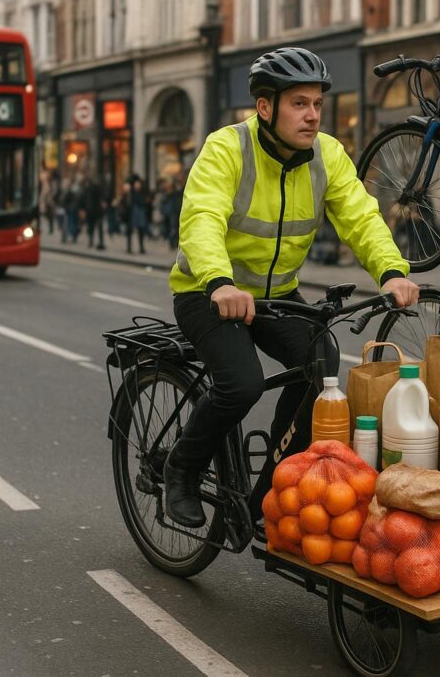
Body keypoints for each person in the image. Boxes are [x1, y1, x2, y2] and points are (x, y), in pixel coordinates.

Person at [162, 47, 419, 527]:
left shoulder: (328, 155)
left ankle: (274, 485)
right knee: (242, 385)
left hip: (278, 293)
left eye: (317, 103)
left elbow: (361, 216)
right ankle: (183, 468)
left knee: (320, 369)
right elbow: (201, 219)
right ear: (265, 107)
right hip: (207, 292)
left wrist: (392, 271)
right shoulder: (227, 148)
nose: (313, 115)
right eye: (299, 103)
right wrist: (219, 282)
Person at [119, 174, 150, 254]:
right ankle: (129, 247)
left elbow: (146, 199)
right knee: (130, 229)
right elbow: (124, 200)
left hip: (138, 210)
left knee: (141, 229)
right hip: (131, 211)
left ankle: (141, 247)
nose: (137, 185)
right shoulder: (129, 191)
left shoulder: (141, 190)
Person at [79, 170, 107, 250]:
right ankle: (97, 241)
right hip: (94, 211)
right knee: (95, 227)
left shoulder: (89, 189)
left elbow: (83, 199)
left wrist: (82, 208)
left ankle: (94, 241)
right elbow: (83, 199)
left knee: (93, 227)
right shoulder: (93, 189)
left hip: (93, 211)